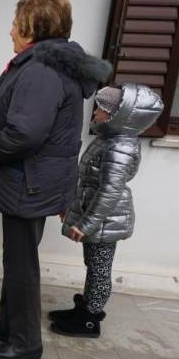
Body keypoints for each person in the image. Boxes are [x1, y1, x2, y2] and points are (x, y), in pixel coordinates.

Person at [0, 0, 111, 359]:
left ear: (32, 29)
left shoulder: (42, 71)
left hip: (26, 182)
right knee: (16, 258)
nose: (10, 32)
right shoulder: (48, 65)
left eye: (15, 25)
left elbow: (24, 134)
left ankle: (26, 341)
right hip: (32, 181)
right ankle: (8, 323)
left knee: (21, 263)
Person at [50, 84, 162, 337]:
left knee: (100, 268)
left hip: (104, 220)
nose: (95, 114)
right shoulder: (110, 140)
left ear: (116, 115)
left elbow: (109, 190)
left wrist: (86, 224)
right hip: (98, 216)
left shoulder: (120, 147)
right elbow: (90, 180)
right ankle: (84, 309)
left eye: (100, 109)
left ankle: (90, 320)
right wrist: (70, 207)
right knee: (93, 263)